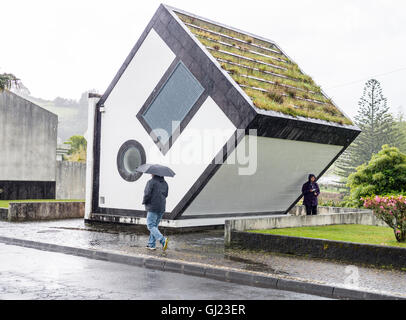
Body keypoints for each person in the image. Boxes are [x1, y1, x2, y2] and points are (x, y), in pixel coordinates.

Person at [142, 174, 169, 251]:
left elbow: (147, 194)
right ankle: (151, 244)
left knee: (150, 225)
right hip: (161, 207)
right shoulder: (165, 183)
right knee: (154, 226)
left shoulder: (151, 182)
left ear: (153, 173)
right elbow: (166, 194)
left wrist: (144, 202)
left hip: (153, 207)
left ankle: (163, 240)